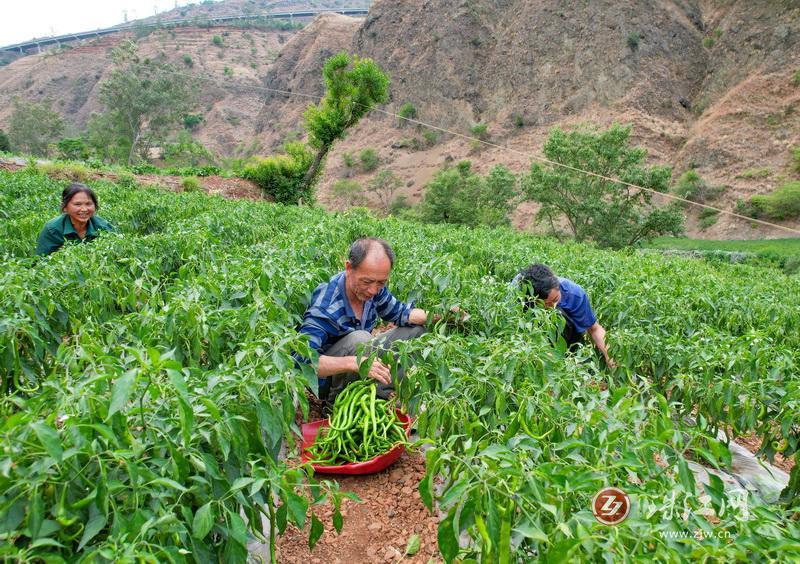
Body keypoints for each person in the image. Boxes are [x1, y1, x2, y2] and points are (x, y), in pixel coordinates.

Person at [297, 237, 434, 403]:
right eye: (367, 282)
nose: (373, 290)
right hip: (328, 380)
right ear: (349, 268)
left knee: (415, 331)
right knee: (361, 339)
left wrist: (443, 315)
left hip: (360, 359)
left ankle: (382, 395)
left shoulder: (374, 289)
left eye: (381, 283)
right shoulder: (326, 305)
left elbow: (401, 313)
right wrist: (354, 363)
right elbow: (303, 362)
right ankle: (340, 403)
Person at [513, 263, 616, 368]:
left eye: (555, 299)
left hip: (567, 335)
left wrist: (610, 356)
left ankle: (568, 355)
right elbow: (513, 329)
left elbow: (594, 329)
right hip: (532, 333)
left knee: (559, 315)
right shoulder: (518, 294)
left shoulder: (574, 294)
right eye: (545, 305)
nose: (552, 307)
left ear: (558, 285)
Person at [36, 183, 114, 256]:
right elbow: (41, 261)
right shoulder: (53, 230)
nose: (84, 209)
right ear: (65, 207)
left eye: (88, 204)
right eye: (77, 204)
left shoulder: (103, 226)